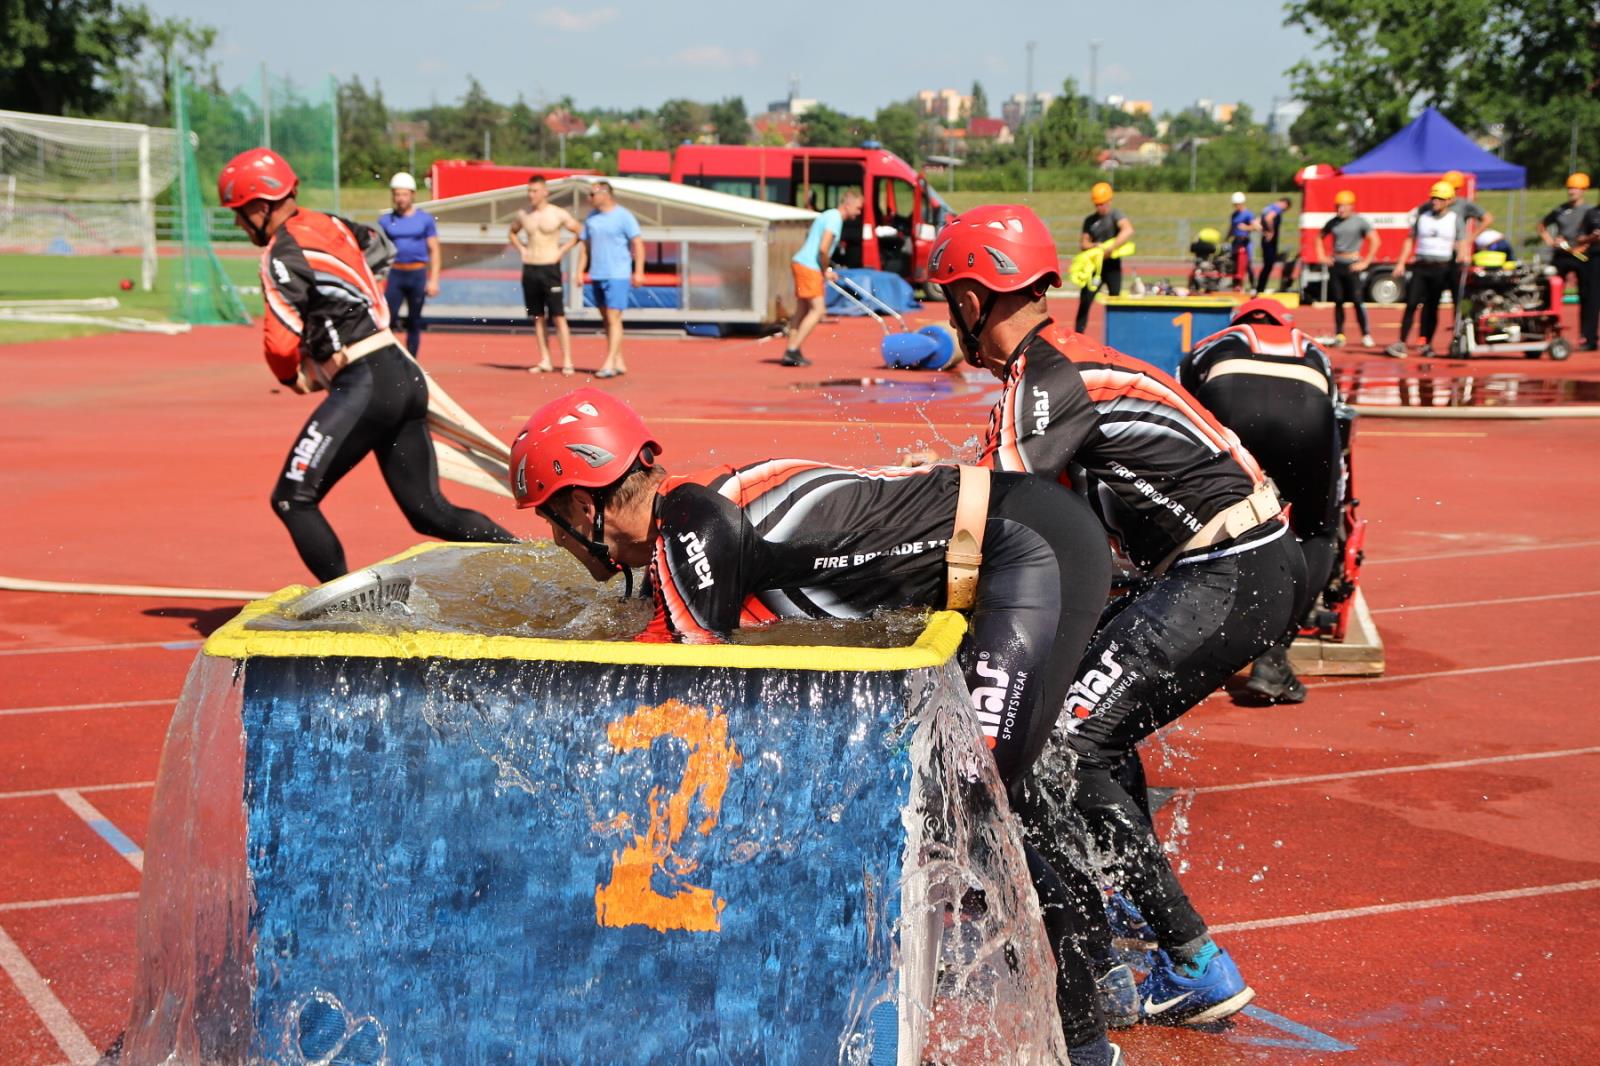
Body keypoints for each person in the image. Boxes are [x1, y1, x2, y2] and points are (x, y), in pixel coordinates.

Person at [510, 388, 1126, 1066]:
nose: (555, 541)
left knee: (965, 809)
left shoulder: (693, 529)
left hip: (1032, 548)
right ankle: (1106, 974)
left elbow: (676, 687)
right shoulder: (688, 518)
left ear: (582, 505)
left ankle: (1087, 1045)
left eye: (550, 520)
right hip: (1017, 536)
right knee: (993, 807)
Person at [926, 204, 1306, 1028]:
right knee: (1080, 729)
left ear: (969, 300)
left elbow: (983, 519)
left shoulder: (1046, 378)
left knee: (1065, 747)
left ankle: (1192, 961)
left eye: (949, 301)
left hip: (1226, 569)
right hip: (1235, 562)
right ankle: (1120, 910)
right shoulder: (1061, 368)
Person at [216, 148, 515, 581]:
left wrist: (293, 375)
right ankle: (534, 565)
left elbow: (279, 345)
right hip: (401, 370)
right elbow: (379, 247)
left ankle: (350, 608)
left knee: (292, 498)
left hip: (366, 381)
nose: (239, 225)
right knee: (429, 511)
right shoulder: (330, 223)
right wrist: (353, 303)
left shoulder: (280, 254)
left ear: (260, 208)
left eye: (239, 214)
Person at [1180, 299, 1342, 703]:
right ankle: (1274, 657)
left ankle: (1188, 634)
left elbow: (1181, 412)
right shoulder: (1313, 347)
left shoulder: (1213, 341)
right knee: (1318, 529)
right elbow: (1337, 417)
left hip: (1227, 397)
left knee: (1196, 515)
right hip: (1309, 408)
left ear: (1239, 320)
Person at [1386, 181, 1471, 358]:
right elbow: (1410, 240)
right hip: (1421, 266)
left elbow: (1462, 241)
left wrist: (1463, 256)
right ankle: (1401, 342)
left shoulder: (1454, 219)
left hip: (1442, 268)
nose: (1435, 202)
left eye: (1440, 199)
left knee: (1432, 307)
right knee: (1411, 303)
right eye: (1433, 198)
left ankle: (1426, 343)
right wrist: (1401, 263)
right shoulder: (1423, 217)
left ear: (1448, 201)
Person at [783, 188, 865, 367]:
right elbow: (823, 248)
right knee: (818, 310)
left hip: (800, 262)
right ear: (848, 204)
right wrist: (826, 270)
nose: (859, 212)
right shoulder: (835, 219)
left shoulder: (828, 214)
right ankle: (792, 350)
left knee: (802, 310)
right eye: (858, 208)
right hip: (808, 267)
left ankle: (791, 349)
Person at [509, 175, 581, 375]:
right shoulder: (524, 214)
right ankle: (545, 359)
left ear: (545, 192)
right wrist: (522, 249)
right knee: (537, 316)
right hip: (531, 267)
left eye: (534, 191)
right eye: (529, 191)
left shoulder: (557, 214)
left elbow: (579, 231)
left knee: (558, 315)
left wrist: (562, 250)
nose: (531, 195)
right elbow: (512, 232)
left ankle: (567, 360)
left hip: (550, 267)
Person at [579, 181, 644, 379]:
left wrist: (638, 271)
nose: (589, 198)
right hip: (598, 273)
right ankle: (618, 359)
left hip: (618, 274)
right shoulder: (592, 218)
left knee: (614, 317)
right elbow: (585, 246)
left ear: (605, 194)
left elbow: (638, 243)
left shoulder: (624, 216)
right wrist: (579, 270)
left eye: (592, 194)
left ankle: (609, 363)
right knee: (607, 319)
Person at [376, 172, 440, 357]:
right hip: (395, 275)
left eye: (404, 194)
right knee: (388, 318)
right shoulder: (385, 221)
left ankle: (412, 358)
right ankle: (386, 357)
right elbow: (378, 251)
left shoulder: (425, 220)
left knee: (414, 320)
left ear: (412, 195)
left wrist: (434, 280)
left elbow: (434, 250)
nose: (400, 198)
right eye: (397, 194)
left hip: (417, 274)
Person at [1314, 190, 1378, 347]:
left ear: (1351, 206)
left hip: (1352, 266)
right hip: (1336, 265)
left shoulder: (1360, 222)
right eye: (1338, 206)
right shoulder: (1333, 222)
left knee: (1357, 300)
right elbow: (1319, 237)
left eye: (1343, 206)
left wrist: (1365, 262)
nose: (1340, 209)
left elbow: (1375, 241)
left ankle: (1366, 334)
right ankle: (1340, 334)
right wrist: (1322, 257)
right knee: (1338, 300)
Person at [1540, 174, 1593, 351]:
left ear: (1583, 190)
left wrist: (1585, 245)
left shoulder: (1589, 210)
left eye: (1575, 188)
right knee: (1551, 292)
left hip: (1582, 256)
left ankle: (1586, 336)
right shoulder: (1560, 209)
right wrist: (1550, 241)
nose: (1572, 191)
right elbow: (1542, 225)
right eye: (1570, 188)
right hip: (1561, 256)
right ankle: (1548, 331)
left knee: (1587, 295)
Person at [1074, 182, 1135, 335]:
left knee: (1115, 300)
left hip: (1112, 265)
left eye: (1103, 203)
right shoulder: (1090, 220)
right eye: (1097, 204)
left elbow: (1128, 230)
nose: (1100, 207)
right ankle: (1078, 335)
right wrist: (1095, 246)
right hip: (1095, 267)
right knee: (1085, 299)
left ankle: (1118, 333)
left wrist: (1111, 248)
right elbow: (1083, 243)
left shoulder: (1116, 215)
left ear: (1109, 200)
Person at [1254, 196, 1292, 294]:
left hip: (1265, 240)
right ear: (1284, 203)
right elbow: (1269, 218)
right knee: (1268, 265)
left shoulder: (1267, 208)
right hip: (1270, 242)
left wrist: (1264, 232)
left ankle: (1260, 288)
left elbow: (1256, 222)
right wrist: (1271, 232)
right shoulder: (1277, 209)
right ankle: (1260, 289)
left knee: (1267, 265)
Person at [1577, 196, 1600, 351]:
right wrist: (1592, 237)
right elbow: (1580, 238)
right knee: (1592, 299)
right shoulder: (1592, 213)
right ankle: (1590, 339)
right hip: (1596, 258)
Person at [1227, 191, 1255, 290]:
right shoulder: (1234, 215)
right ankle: (1236, 285)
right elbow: (1232, 227)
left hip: (1245, 242)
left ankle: (1253, 285)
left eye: (1238, 204)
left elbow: (1255, 226)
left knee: (1247, 264)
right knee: (1234, 263)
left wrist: (1246, 228)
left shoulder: (1248, 214)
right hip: (1236, 242)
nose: (1236, 206)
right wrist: (1227, 237)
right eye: (1235, 204)